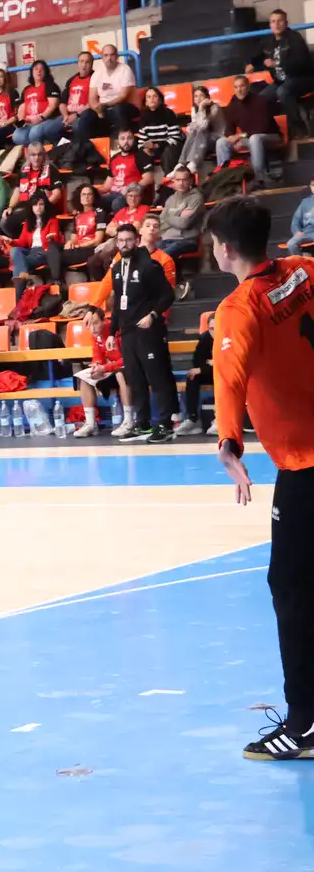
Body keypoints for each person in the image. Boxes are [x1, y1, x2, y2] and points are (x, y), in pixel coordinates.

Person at [204, 198, 314, 759]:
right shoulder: (304, 270)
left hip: (305, 463)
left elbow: (229, 376)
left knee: (290, 588)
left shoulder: (239, 307)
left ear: (224, 249)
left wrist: (229, 441)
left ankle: (306, 723)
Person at [108, 224, 177, 443]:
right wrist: (111, 332)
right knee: (135, 379)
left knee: (157, 377)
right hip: (128, 333)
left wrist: (153, 315)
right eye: (121, 241)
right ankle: (143, 423)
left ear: (137, 241)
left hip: (150, 331)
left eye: (128, 240)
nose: (124, 244)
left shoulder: (150, 266)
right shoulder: (116, 269)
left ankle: (165, 424)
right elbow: (118, 304)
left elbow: (168, 295)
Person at [246, 9, 314, 138]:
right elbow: (256, 55)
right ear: (270, 25)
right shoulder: (267, 41)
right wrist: (251, 64)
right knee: (260, 99)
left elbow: (302, 62)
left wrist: (278, 64)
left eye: (279, 21)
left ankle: (299, 128)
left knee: (283, 91)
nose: (276, 24)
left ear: (286, 23)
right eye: (273, 21)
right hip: (280, 81)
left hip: (302, 78)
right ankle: (272, 131)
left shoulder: (294, 38)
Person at [71, 304, 131, 438]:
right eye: (90, 324)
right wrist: (96, 365)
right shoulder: (95, 335)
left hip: (127, 368)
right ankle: (90, 423)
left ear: (104, 321)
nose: (92, 328)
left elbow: (127, 359)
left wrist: (104, 368)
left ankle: (128, 420)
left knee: (121, 374)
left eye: (96, 323)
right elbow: (97, 355)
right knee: (84, 376)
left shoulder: (116, 331)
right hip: (110, 370)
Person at [218, 74, 282, 186]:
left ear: (248, 87)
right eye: (236, 87)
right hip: (249, 138)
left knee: (255, 138)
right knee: (221, 142)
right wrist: (231, 137)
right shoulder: (233, 104)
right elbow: (229, 128)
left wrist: (240, 136)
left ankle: (259, 176)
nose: (239, 90)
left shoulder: (260, 101)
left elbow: (262, 128)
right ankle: (224, 178)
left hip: (270, 136)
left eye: (242, 86)